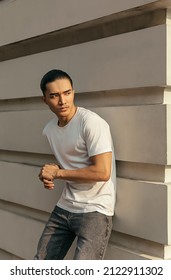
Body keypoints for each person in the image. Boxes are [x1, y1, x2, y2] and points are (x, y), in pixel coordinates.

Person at [34, 69, 116, 260]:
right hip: (65, 206)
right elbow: (70, 163)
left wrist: (58, 173)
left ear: (73, 92)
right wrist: (48, 173)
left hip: (95, 209)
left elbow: (102, 172)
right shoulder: (49, 130)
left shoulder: (91, 123)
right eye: (54, 96)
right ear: (45, 100)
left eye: (67, 93)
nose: (62, 101)